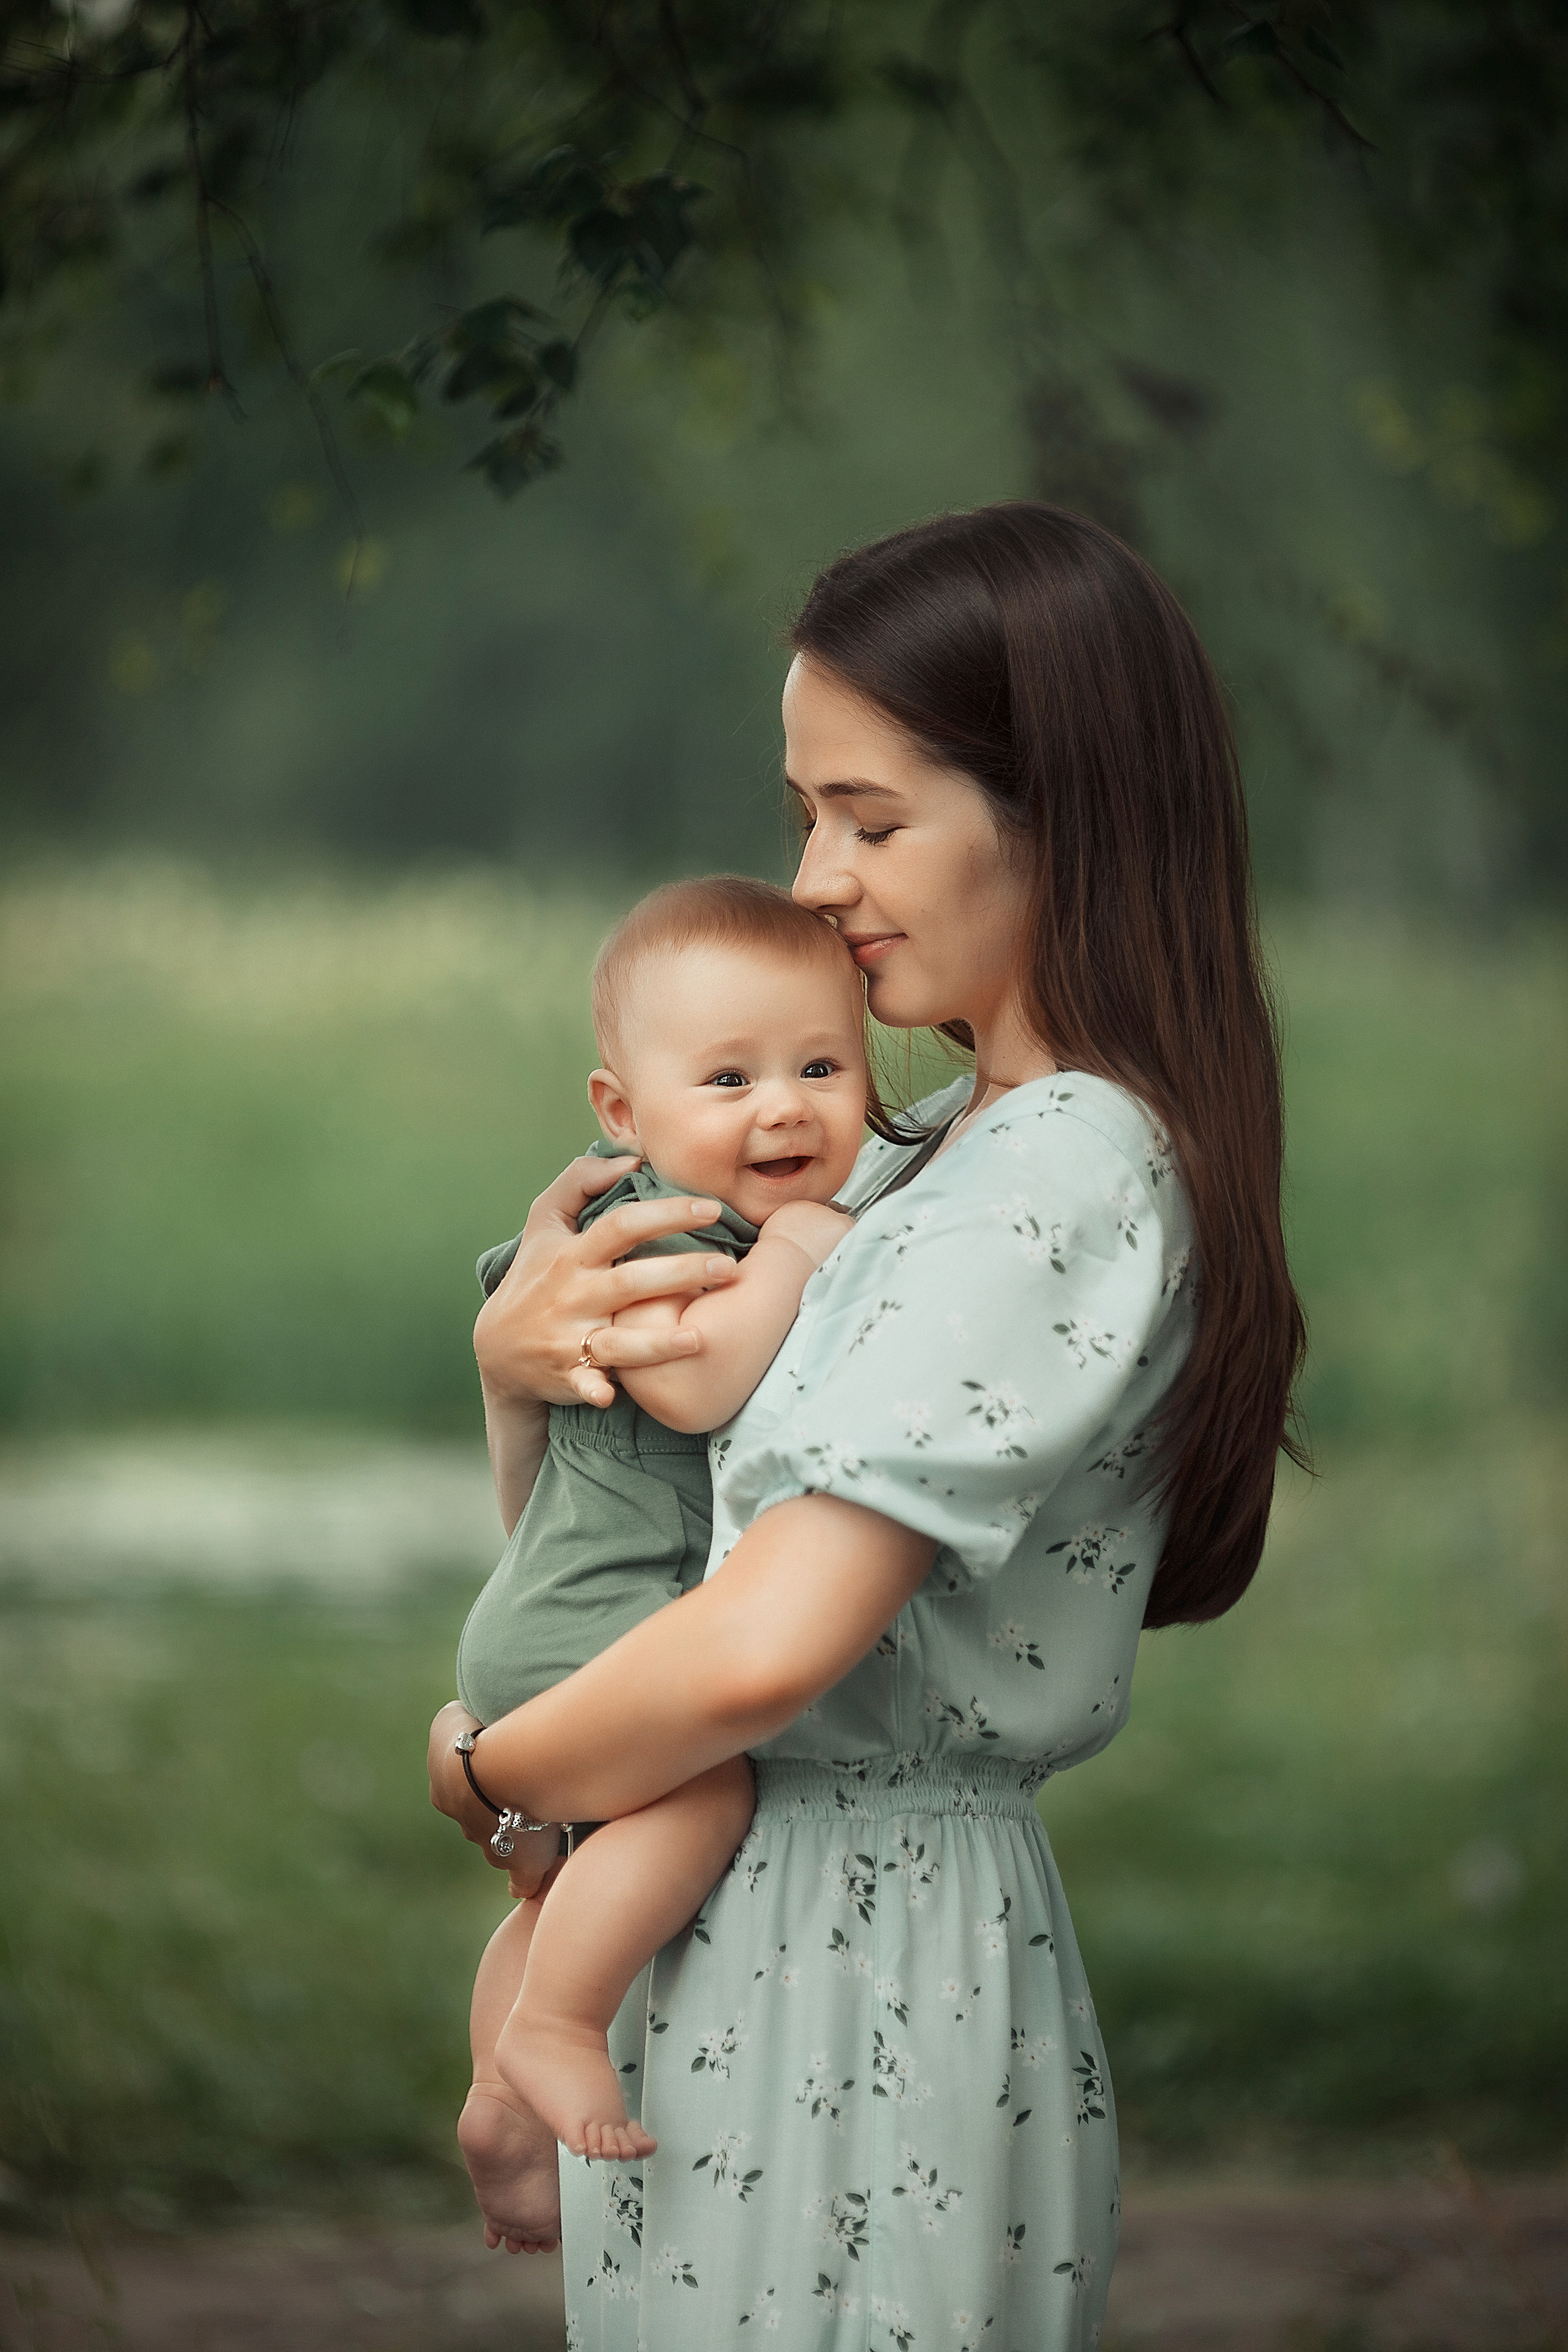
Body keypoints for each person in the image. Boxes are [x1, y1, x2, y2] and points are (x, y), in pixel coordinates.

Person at [429, 502, 1307, 2348]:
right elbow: (636, 1516)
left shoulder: (1059, 1170)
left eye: (874, 818)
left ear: (1060, 810)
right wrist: (527, 1368)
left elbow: (764, 1645)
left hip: (860, 1959)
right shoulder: (916, 1157)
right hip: (742, 1912)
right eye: (807, 812)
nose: (819, 879)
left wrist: (494, 1774)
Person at [456, 876, 867, 2233]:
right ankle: (558, 2026)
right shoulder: (678, 1233)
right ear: (623, 1115)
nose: (784, 1108)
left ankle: (501, 2111)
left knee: (584, 1860)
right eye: (729, 1077)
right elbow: (688, 1391)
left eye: (821, 1066)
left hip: (552, 1608)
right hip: (599, 1625)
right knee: (703, 1800)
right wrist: (802, 1254)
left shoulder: (655, 1218)